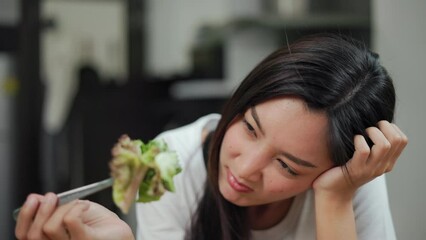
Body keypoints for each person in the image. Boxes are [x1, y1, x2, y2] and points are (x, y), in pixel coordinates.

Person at [15, 33, 408, 240]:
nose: (245, 168)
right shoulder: (170, 161)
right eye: (250, 128)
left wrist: (335, 198)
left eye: (287, 165)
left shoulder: (348, 183)